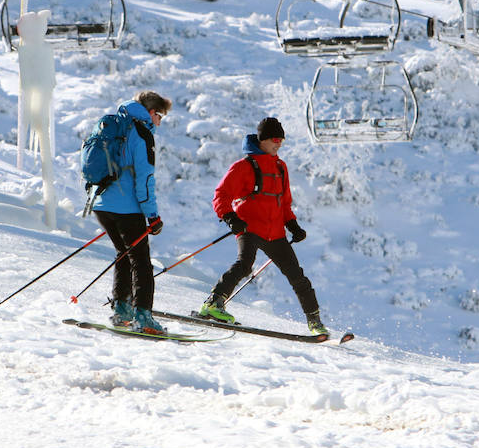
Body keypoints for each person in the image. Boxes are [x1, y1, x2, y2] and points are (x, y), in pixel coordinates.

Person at [198, 117, 327, 336]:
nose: (279, 143)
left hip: (275, 233)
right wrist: (230, 218)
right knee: (244, 264)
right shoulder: (244, 166)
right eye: (275, 139)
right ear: (263, 140)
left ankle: (315, 322)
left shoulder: (281, 167)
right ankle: (213, 304)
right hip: (249, 227)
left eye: (282, 140)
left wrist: (293, 225)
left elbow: (284, 202)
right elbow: (221, 195)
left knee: (297, 276)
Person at [90, 91, 172, 336]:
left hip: (103, 205)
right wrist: (153, 216)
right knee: (142, 263)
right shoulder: (141, 134)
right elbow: (144, 180)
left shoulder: (114, 125)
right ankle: (143, 317)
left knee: (123, 255)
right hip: (127, 209)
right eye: (159, 115)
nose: (159, 121)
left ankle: (122, 310)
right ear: (149, 112)